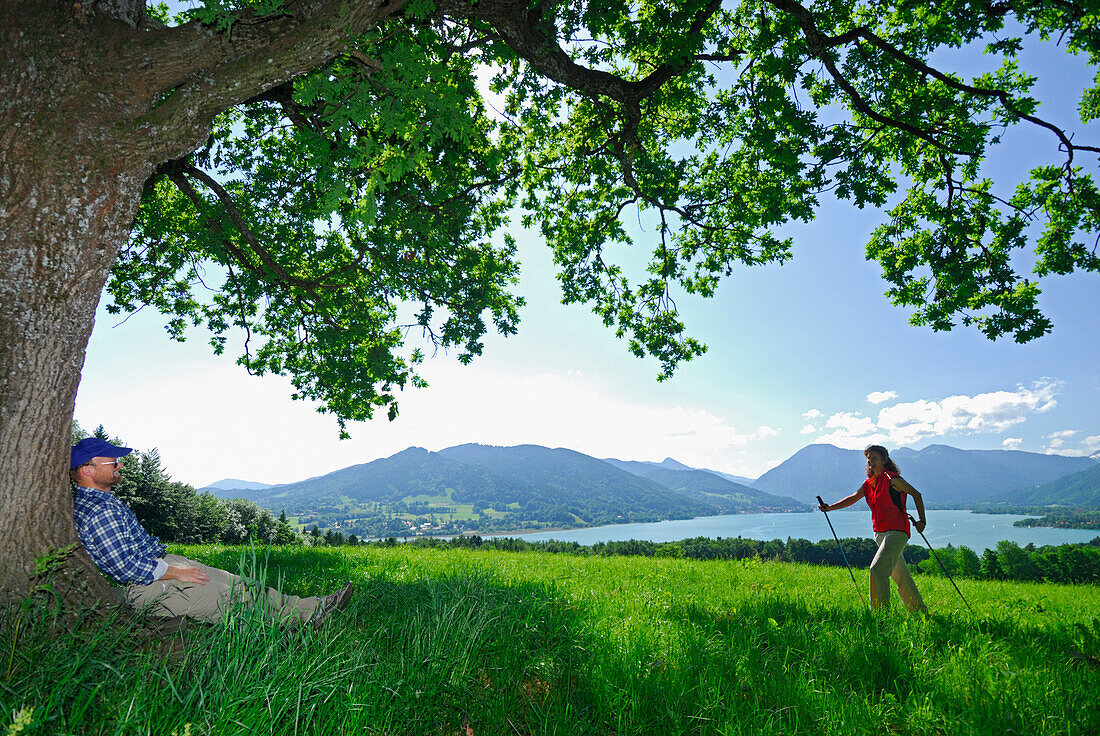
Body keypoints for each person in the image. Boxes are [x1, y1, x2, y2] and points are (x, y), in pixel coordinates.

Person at [69, 437, 352, 627]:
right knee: (233, 600)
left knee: (242, 584)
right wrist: (176, 573)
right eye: (113, 462)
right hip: (149, 586)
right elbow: (124, 567)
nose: (121, 465)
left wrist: (175, 565)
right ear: (87, 470)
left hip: (163, 566)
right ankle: (301, 625)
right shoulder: (98, 510)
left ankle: (314, 608)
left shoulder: (102, 501)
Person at [818, 444, 928, 612]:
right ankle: (920, 612)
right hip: (880, 534)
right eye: (868, 459)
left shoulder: (893, 480)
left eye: (874, 458)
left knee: (877, 569)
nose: (870, 462)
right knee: (900, 575)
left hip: (897, 531)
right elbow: (854, 497)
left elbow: (916, 494)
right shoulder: (869, 483)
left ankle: (881, 615)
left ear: (884, 459)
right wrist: (830, 507)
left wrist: (922, 520)